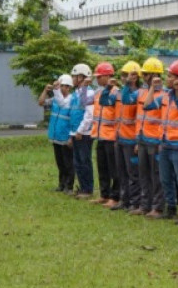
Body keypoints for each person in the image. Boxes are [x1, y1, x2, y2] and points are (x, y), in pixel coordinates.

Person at [143, 59, 178, 221]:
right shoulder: (165, 96)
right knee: (166, 179)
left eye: (171, 76)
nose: (167, 79)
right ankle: (170, 208)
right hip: (165, 144)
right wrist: (153, 87)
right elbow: (147, 105)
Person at [130, 57, 165, 217]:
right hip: (142, 139)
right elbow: (139, 116)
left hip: (155, 141)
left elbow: (163, 120)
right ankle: (145, 205)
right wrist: (138, 140)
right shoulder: (142, 92)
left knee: (156, 176)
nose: (143, 77)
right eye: (143, 75)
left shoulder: (164, 95)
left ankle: (157, 207)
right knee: (143, 174)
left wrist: (159, 141)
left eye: (146, 74)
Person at [110, 61, 142, 211]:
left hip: (131, 139)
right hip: (120, 138)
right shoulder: (121, 93)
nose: (123, 78)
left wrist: (137, 141)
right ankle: (125, 200)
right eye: (123, 75)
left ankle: (135, 202)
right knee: (121, 172)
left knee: (133, 173)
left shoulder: (138, 94)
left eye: (126, 75)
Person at [91, 62, 120, 208]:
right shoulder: (98, 93)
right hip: (100, 135)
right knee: (102, 167)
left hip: (111, 136)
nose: (97, 79)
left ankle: (115, 197)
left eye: (100, 76)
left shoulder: (116, 92)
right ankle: (104, 194)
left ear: (108, 76)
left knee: (113, 169)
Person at [39, 74, 74, 194]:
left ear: (69, 87)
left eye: (64, 86)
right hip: (55, 136)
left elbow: (74, 120)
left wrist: (71, 137)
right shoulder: (55, 100)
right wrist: (45, 90)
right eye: (60, 86)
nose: (61, 88)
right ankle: (61, 184)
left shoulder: (71, 101)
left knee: (68, 163)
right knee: (60, 163)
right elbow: (41, 102)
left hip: (65, 137)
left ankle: (69, 186)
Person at [68, 63, 95, 199]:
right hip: (76, 132)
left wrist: (80, 130)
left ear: (81, 77)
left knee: (84, 161)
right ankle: (82, 187)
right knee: (77, 162)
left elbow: (89, 115)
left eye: (74, 76)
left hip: (84, 133)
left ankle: (88, 189)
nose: (72, 79)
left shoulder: (89, 93)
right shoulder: (76, 93)